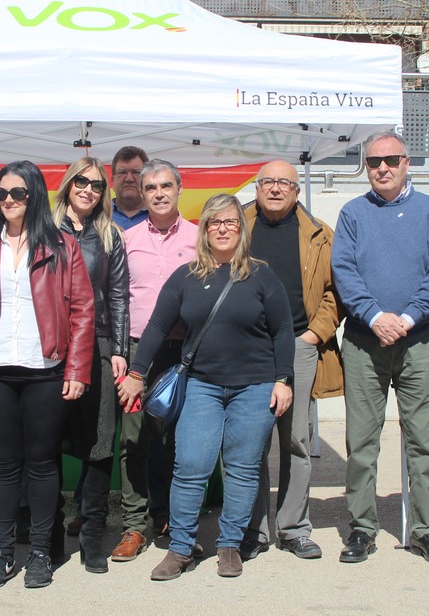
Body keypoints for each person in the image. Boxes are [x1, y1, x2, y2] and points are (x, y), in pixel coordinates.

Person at [118, 194, 295, 581]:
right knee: (191, 466)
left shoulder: (262, 275)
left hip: (254, 387)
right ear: (204, 229)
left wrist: (284, 379)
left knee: (243, 469)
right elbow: (157, 328)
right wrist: (136, 372)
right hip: (201, 386)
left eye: (230, 222)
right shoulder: (185, 277)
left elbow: (283, 331)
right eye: (214, 222)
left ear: (241, 228)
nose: (222, 229)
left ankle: (230, 544)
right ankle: (181, 548)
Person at [0, 160, 95, 589]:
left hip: (44, 368)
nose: (9, 201)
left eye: (18, 193)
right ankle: (1, 552)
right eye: (3, 194)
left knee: (43, 465)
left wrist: (77, 368)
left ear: (34, 195)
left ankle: (40, 555)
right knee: (5, 465)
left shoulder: (62, 245)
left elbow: (83, 310)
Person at [331, 131, 429, 565]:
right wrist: (373, 316)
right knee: (361, 442)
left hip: (419, 340)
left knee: (424, 441)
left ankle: (424, 529)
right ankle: (362, 528)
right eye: (372, 162)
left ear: (407, 163)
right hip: (366, 343)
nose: (381, 167)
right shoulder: (352, 214)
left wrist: (405, 318)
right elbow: (344, 272)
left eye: (390, 159)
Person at [241, 160, 342, 561]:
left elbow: (337, 291)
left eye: (285, 182)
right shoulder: (236, 223)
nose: (276, 188)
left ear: (297, 191)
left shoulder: (319, 234)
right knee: (251, 443)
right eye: (268, 182)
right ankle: (253, 529)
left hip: (299, 346)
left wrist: (313, 334)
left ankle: (294, 527)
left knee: (296, 440)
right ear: (257, 187)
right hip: (248, 347)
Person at [112, 159, 198, 562]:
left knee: (177, 441)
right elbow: (116, 300)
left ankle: (171, 517)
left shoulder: (200, 238)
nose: (159, 193)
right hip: (136, 354)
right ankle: (134, 525)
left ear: (180, 189)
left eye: (166, 186)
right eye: (151, 188)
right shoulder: (126, 240)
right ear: (141, 194)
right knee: (134, 439)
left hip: (183, 354)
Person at [52, 157, 130, 573]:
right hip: (49, 348)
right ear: (68, 184)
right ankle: (49, 535)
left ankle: (93, 538)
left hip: (98, 343)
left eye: (97, 185)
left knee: (100, 444)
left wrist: (119, 348)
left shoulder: (109, 235)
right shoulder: (40, 230)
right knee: (45, 444)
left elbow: (119, 296)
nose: (88, 190)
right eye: (81, 181)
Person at [111, 146, 150, 230]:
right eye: (122, 172)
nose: (129, 179)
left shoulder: (160, 217)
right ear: (112, 181)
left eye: (136, 172)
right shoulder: (97, 216)